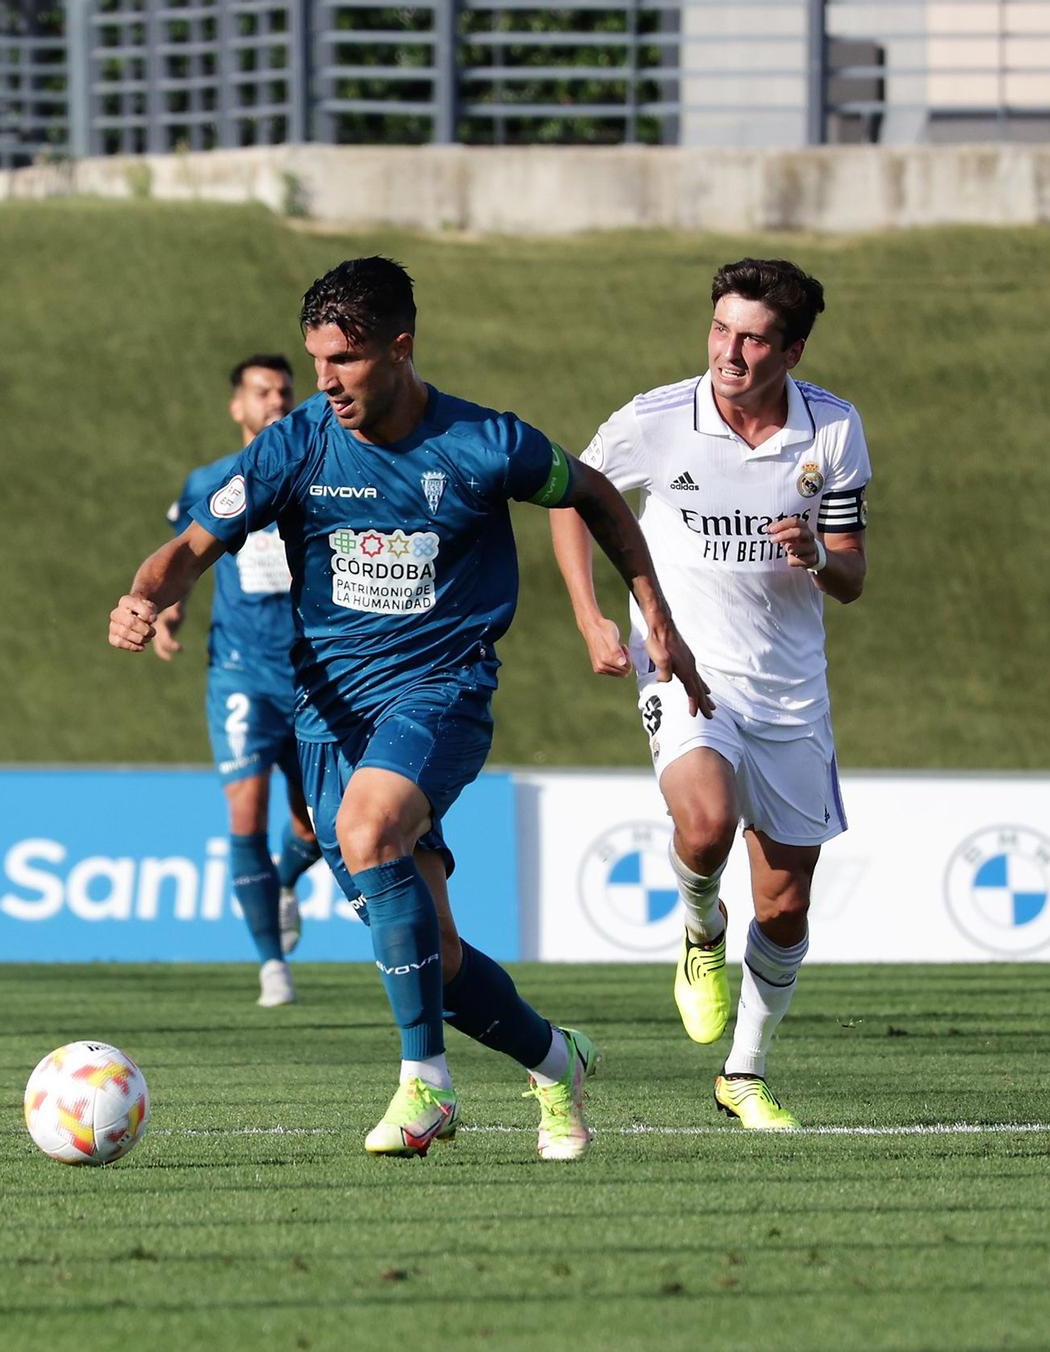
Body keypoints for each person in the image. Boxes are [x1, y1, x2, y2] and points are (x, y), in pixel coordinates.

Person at [109, 258, 710, 1160]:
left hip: (440, 692)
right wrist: (146, 594)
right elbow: (191, 546)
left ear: (401, 348)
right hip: (327, 716)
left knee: (366, 827)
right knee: (436, 954)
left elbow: (591, 494)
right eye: (317, 360)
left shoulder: (482, 442)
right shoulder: (295, 443)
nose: (326, 382)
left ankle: (424, 1084)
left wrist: (640, 610)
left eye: (345, 359)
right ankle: (556, 1062)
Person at [549, 258, 869, 1130]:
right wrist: (589, 619)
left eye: (753, 337)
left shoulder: (833, 431)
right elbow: (566, 495)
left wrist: (815, 556)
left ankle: (744, 1075)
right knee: (704, 822)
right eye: (721, 329)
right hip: (685, 667)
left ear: (792, 349)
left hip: (791, 694)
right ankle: (699, 931)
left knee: (788, 903)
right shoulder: (658, 421)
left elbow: (853, 576)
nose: (730, 351)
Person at [153, 354, 322, 1008]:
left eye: (283, 389)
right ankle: (271, 967)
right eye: (262, 391)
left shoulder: (317, 473)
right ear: (238, 407)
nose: (276, 399)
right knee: (244, 812)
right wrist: (171, 612)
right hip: (241, 671)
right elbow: (187, 557)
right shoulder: (210, 480)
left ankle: (282, 882)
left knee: (316, 825)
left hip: (315, 674)